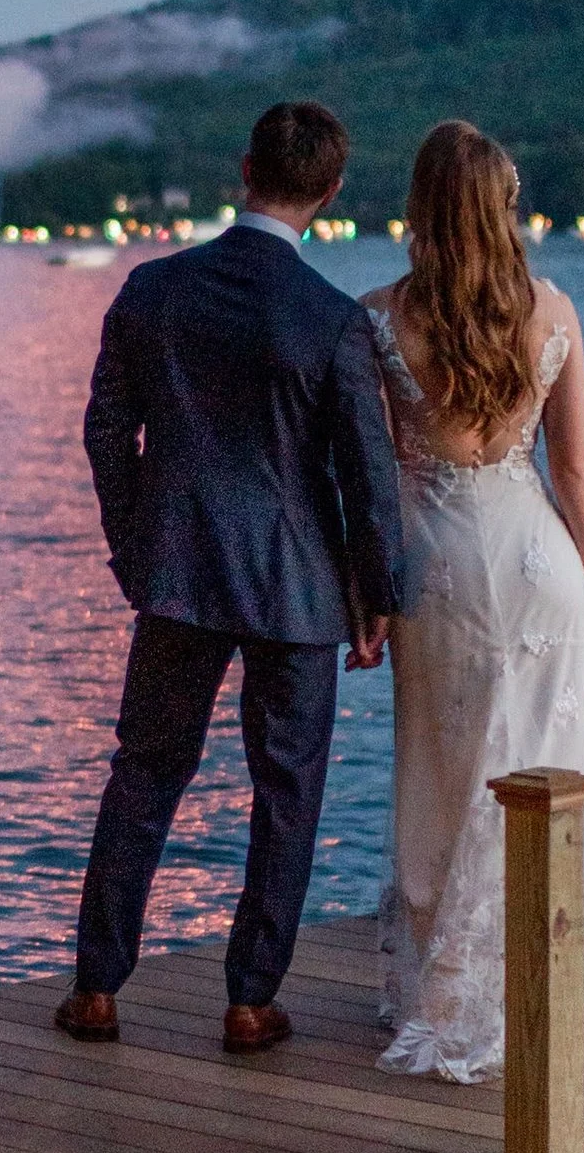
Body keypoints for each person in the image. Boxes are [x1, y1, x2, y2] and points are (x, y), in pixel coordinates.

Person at [59, 100, 409, 1055]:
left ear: (242, 165)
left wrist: (136, 542)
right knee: (287, 793)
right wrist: (379, 597)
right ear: (330, 194)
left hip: (176, 577)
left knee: (146, 772)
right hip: (298, 588)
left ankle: (96, 986)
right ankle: (250, 1000)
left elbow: (103, 431)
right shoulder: (334, 321)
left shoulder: (152, 289)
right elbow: (368, 479)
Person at [363, 118, 584, 1080]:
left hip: (439, 568)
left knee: (445, 770)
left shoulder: (380, 317)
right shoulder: (553, 311)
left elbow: (382, 475)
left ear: (422, 208)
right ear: (502, 204)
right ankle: (526, 982)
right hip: (539, 562)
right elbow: (576, 465)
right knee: (537, 773)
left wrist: (372, 593)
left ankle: (449, 990)